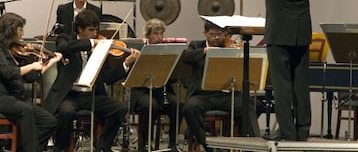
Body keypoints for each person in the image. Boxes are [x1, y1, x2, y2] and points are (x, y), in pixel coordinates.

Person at [199, 0, 326, 141]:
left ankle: (287, 132)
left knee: (282, 83)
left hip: (279, 33)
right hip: (302, 32)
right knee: (300, 83)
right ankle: (303, 130)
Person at [44, 10, 140, 152]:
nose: (95, 34)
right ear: (79, 29)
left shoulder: (100, 48)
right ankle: (60, 149)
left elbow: (107, 77)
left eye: (96, 30)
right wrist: (90, 43)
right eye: (91, 30)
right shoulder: (66, 39)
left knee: (120, 108)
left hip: (91, 95)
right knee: (66, 112)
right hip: (69, 95)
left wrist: (126, 63)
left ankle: (102, 148)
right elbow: (63, 48)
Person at [0, 12, 60, 152]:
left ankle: (23, 148)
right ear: (10, 29)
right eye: (20, 29)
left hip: (17, 98)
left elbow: (30, 78)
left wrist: (45, 63)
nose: (22, 33)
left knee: (50, 121)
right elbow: (8, 72)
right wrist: (31, 66)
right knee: (26, 110)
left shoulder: (13, 50)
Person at [182, 21, 260, 152]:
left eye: (219, 34)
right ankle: (208, 145)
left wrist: (236, 52)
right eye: (212, 34)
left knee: (248, 106)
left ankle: (253, 146)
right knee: (189, 108)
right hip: (202, 95)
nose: (216, 38)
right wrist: (206, 51)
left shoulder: (229, 47)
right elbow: (186, 57)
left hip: (225, 95)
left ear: (225, 34)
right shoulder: (197, 45)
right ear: (205, 33)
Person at [130, 18, 180, 152]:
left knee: (176, 104)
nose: (160, 37)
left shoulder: (166, 50)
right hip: (141, 90)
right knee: (150, 105)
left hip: (161, 89)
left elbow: (173, 76)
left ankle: (173, 143)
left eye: (162, 34)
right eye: (156, 34)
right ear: (148, 35)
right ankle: (145, 143)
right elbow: (132, 76)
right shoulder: (138, 49)